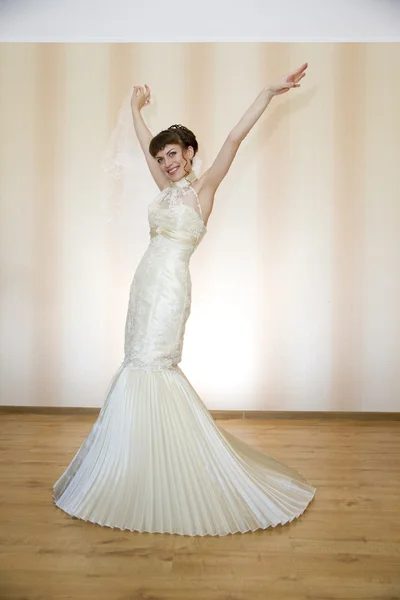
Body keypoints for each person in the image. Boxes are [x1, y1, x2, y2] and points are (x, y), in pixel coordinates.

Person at [53, 63, 316, 536]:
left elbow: (235, 139)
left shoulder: (205, 189)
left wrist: (267, 91)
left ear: (191, 154)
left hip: (171, 286)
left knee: (153, 365)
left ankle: (172, 464)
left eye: (173, 155)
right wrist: (135, 110)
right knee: (135, 362)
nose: (167, 163)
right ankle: (138, 461)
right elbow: (143, 146)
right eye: (162, 158)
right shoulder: (165, 189)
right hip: (144, 282)